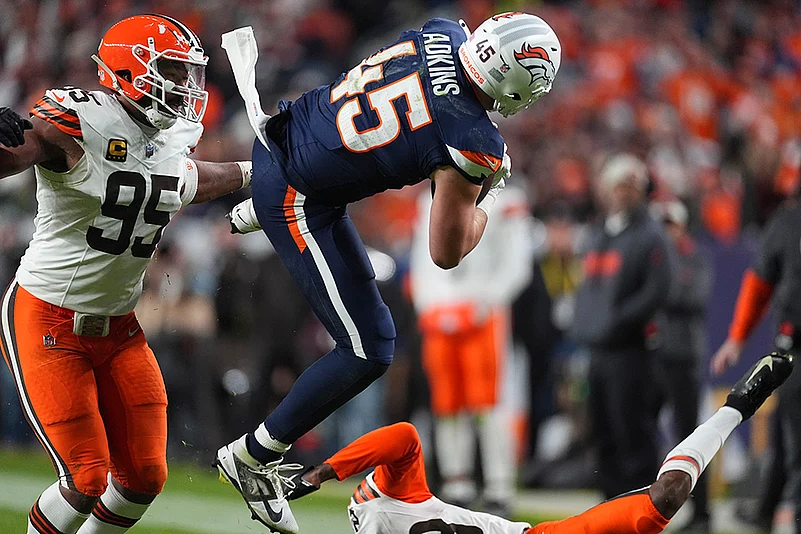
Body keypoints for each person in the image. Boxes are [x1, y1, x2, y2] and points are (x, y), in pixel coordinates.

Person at [217, 12, 561, 534]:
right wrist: (485, 197)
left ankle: (262, 204)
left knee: (373, 335)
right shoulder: (471, 139)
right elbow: (448, 250)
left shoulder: (441, 32)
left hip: (283, 139)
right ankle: (252, 455)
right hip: (299, 196)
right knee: (369, 348)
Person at [0, 15, 252, 534]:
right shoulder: (78, 120)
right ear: (130, 69)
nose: (185, 86)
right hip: (47, 318)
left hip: (119, 327)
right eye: (173, 71)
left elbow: (184, 181)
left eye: (188, 73)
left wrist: (255, 173)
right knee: (86, 477)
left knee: (143, 476)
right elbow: (16, 153)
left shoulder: (168, 136)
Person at [286, 352, 793, 534]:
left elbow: (403, 436)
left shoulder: (399, 498)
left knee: (667, 495)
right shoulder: (386, 509)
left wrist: (320, 472)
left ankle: (737, 406)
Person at [409, 184, 534, 514]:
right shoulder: (429, 200)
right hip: (441, 314)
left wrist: (488, 300)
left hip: (484, 314)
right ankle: (457, 482)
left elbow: (518, 263)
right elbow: (421, 258)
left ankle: (498, 486)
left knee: (488, 403)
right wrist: (429, 305)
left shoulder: (507, 200)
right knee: (447, 403)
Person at [571, 154, 671, 498]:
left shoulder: (650, 234)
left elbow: (657, 290)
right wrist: (586, 324)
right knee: (602, 431)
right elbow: (587, 289)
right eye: (618, 185)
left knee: (632, 430)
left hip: (631, 351)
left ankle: (638, 507)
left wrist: (616, 321)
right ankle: (609, 506)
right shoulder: (599, 232)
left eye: (631, 185)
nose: (624, 193)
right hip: (598, 351)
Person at [710, 193, 801, 532]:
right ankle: (769, 511)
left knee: (791, 437)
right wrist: (736, 338)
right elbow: (759, 284)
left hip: (794, 346)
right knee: (788, 434)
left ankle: (771, 510)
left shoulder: (787, 221)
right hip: (795, 347)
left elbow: (759, 284)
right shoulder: (789, 222)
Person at [649, 200, 713, 531]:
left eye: (671, 224)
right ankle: (645, 506)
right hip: (656, 355)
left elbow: (693, 297)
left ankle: (702, 513)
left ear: (682, 226)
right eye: (663, 225)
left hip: (684, 357)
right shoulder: (658, 259)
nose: (666, 231)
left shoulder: (694, 257)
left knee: (691, 435)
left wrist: (655, 289)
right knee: (644, 430)